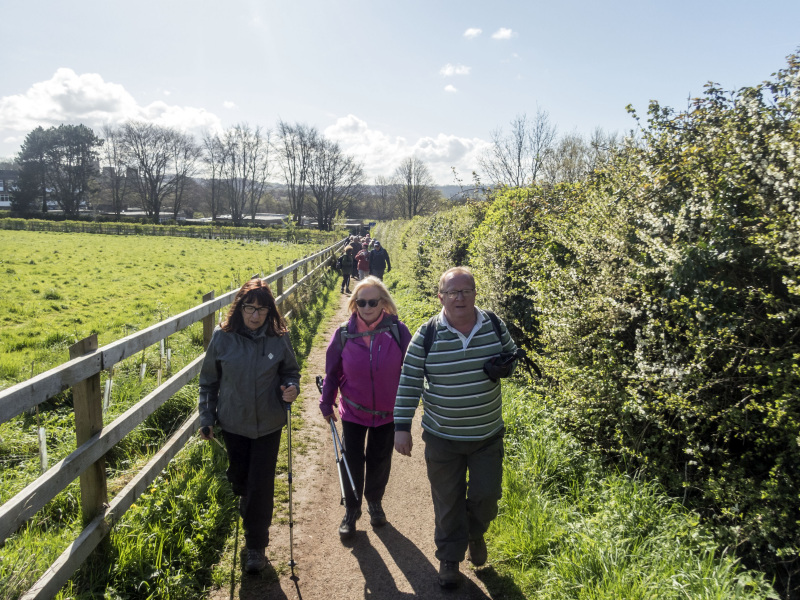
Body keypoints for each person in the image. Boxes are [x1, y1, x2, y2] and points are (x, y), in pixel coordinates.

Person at [394, 266, 518, 589]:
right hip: (442, 437)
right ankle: (449, 558)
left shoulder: (493, 324)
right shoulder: (426, 334)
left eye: (466, 290)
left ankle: (475, 533)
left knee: (487, 497)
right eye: (452, 292)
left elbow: (512, 354)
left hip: (487, 435)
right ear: (441, 297)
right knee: (447, 499)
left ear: (476, 294)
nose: (459, 297)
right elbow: (409, 380)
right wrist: (402, 426)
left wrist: (505, 366)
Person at [198, 278, 300, 574]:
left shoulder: (278, 337)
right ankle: (244, 496)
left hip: (269, 424)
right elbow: (208, 382)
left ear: (271, 312)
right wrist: (207, 417)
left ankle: (256, 545)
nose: (255, 316)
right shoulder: (222, 337)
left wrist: (290, 387)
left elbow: (290, 372)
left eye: (262, 310)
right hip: (233, 422)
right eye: (250, 308)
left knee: (261, 484)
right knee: (240, 478)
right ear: (239, 307)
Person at [320, 276, 412, 539]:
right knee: (351, 459)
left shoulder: (398, 330)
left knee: (380, 459)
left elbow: (413, 369)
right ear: (354, 304)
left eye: (373, 301)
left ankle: (374, 502)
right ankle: (351, 510)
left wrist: (410, 404)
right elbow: (332, 372)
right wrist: (327, 402)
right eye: (362, 302)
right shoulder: (344, 333)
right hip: (353, 410)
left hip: (387, 412)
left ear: (383, 302)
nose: (367, 306)